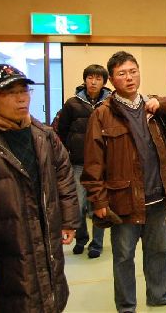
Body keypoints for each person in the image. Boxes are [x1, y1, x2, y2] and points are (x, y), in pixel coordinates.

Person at [82, 51, 166, 313]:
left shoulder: (153, 107)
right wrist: (98, 200)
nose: (129, 78)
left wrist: (163, 103)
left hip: (157, 197)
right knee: (124, 257)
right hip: (123, 200)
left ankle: (159, 295)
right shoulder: (102, 114)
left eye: (133, 71)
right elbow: (93, 163)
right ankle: (126, 306)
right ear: (112, 80)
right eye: (122, 73)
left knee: (159, 251)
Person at [0, 64, 80, 312]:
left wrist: (69, 220)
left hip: (46, 237)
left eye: (24, 91)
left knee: (49, 292)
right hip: (7, 246)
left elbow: (64, 176)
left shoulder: (43, 135)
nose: (21, 99)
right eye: (10, 93)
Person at [56, 64, 112, 258]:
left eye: (98, 78)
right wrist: (68, 151)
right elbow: (62, 130)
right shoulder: (72, 103)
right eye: (90, 77)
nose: (93, 82)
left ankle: (97, 243)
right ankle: (81, 238)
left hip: (102, 163)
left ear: (104, 82)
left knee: (99, 204)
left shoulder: (110, 103)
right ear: (85, 79)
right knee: (78, 205)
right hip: (78, 162)